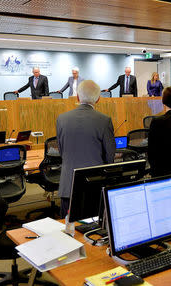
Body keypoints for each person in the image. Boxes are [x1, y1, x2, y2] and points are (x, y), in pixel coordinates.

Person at [56, 80, 116, 218]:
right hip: (94, 186)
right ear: (98, 99)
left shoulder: (62, 119)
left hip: (68, 186)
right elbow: (109, 157)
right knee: (93, 232)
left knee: (67, 231)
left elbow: (61, 151)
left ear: (77, 97)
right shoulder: (104, 120)